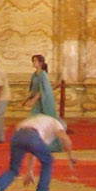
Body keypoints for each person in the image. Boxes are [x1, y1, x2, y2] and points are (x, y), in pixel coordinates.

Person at [0, 113, 76, 191]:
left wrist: (30, 171)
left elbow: (33, 152)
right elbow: (65, 139)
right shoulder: (57, 124)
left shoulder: (43, 121)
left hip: (16, 136)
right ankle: (43, 189)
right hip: (31, 135)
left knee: (14, 169)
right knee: (48, 160)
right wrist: (71, 155)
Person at [20, 55, 63, 183]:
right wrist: (24, 100)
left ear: (41, 63)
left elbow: (42, 91)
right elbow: (32, 90)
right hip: (36, 103)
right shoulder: (34, 75)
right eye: (33, 61)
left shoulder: (43, 74)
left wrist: (32, 101)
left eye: (35, 61)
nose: (34, 63)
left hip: (41, 104)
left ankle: (42, 145)